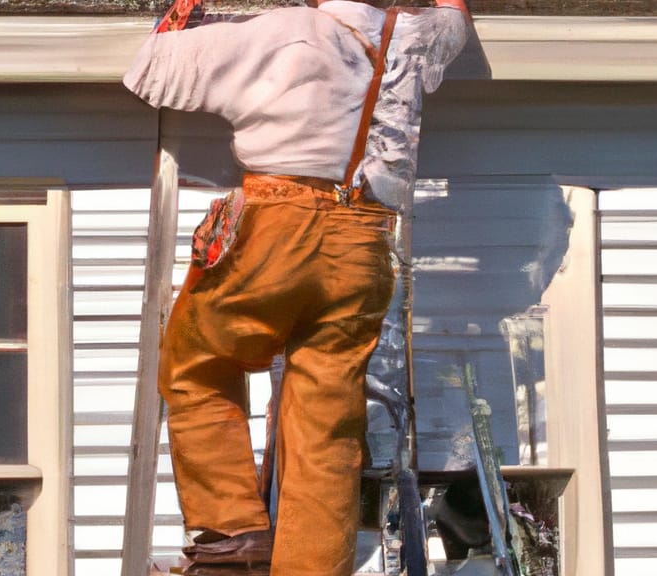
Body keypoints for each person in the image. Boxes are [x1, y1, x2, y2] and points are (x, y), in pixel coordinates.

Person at [124, 1, 469, 574]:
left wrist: (183, 14)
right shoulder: (412, 38)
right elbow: (454, 21)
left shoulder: (282, 32)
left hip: (276, 224)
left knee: (197, 366)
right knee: (326, 425)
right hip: (364, 241)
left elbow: (151, 72)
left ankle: (233, 533)